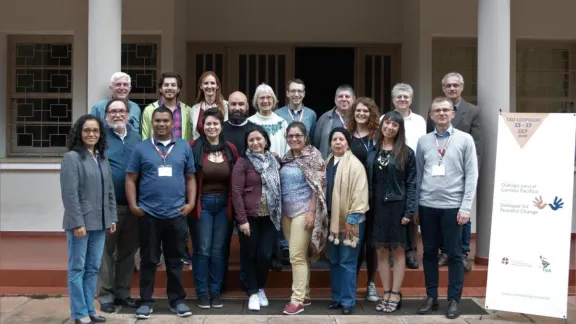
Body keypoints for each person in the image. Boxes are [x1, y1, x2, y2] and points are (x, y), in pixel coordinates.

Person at [126, 106, 196, 319]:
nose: (161, 124)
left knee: (175, 260)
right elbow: (130, 179)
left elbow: (191, 178)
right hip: (149, 215)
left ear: (172, 122)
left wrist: (191, 203)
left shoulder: (184, 147)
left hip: (176, 214)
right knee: (149, 260)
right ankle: (146, 301)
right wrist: (133, 205)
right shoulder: (141, 148)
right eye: (157, 121)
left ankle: (177, 300)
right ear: (152, 122)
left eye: (166, 120)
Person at [416, 97, 478, 319]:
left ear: (453, 114)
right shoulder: (424, 141)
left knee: (455, 255)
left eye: (445, 110)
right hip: (427, 206)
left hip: (453, 207)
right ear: (431, 116)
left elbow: (472, 175)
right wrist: (416, 206)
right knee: (429, 253)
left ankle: (453, 300)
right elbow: (420, 174)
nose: (441, 113)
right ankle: (431, 296)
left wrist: (466, 207)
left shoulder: (465, 139)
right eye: (436, 111)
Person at [61, 114, 117, 324]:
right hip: (80, 224)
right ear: (79, 133)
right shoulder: (72, 158)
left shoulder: (102, 158)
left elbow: (109, 190)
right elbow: (70, 194)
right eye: (87, 130)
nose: (91, 134)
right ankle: (79, 313)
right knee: (77, 268)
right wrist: (77, 222)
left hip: (100, 222)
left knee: (93, 267)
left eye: (95, 130)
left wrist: (111, 217)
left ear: (100, 134)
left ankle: (89, 309)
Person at [427, 73, 482, 271]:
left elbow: (476, 146)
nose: (452, 89)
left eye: (455, 85)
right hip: (438, 175)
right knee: (441, 215)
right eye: (448, 86)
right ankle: (446, 251)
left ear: (462, 87)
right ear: (443, 88)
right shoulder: (433, 110)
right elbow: (430, 139)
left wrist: (473, 174)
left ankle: (463, 252)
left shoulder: (473, 111)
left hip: (461, 173)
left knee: (463, 215)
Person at [189, 108, 239, 309]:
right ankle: (202, 293)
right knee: (202, 250)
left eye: (215, 124)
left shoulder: (230, 149)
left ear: (221, 126)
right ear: (202, 126)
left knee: (219, 251)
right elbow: (189, 177)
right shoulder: (194, 147)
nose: (211, 127)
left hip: (224, 205)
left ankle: (215, 292)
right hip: (203, 204)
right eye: (208, 123)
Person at [367, 111, 417, 313]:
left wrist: (409, 211)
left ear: (399, 129)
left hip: (397, 206)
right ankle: (385, 291)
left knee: (397, 250)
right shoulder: (373, 150)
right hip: (376, 206)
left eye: (394, 125)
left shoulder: (407, 152)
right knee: (380, 250)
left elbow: (412, 184)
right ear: (381, 126)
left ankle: (396, 293)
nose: (389, 127)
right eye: (386, 123)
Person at [96, 99, 141, 313]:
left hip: (132, 206)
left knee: (128, 252)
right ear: (106, 115)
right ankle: (106, 296)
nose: (117, 115)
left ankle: (123, 293)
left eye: (121, 111)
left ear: (128, 113)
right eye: (112, 111)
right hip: (107, 207)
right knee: (105, 252)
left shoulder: (136, 137)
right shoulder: (99, 138)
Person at [231, 126, 282, 311]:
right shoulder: (243, 162)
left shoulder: (275, 160)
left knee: (265, 254)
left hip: (271, 216)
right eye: (251, 140)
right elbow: (236, 193)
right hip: (249, 217)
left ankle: (260, 287)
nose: (255, 143)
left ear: (266, 141)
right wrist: (242, 220)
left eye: (258, 139)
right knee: (250, 254)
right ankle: (253, 291)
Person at [280, 122, 328, 315]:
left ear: (305, 137)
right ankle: (306, 293)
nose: (294, 139)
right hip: (286, 212)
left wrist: (312, 212)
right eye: (290, 136)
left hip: (304, 211)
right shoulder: (286, 157)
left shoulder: (314, 156)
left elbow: (318, 186)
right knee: (300, 255)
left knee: (296, 255)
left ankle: (297, 299)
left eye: (298, 135)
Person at [325, 127, 369, 315]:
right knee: (334, 260)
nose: (338, 142)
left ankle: (348, 301)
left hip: (352, 220)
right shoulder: (327, 162)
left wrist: (351, 219)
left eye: (341, 139)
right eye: (334, 139)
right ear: (330, 143)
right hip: (331, 221)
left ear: (348, 143)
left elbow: (360, 194)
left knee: (347, 261)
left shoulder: (355, 164)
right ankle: (337, 297)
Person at [346, 97, 380, 302]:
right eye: (358, 111)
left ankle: (371, 284)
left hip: (376, 194)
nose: (362, 114)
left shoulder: (378, 136)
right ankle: (353, 283)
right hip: (355, 195)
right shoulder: (348, 136)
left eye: (366, 111)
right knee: (356, 241)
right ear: (353, 113)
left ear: (372, 113)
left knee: (372, 243)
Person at [390, 83, 426, 270]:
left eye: (406, 97)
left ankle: (410, 251)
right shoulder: (386, 119)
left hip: (413, 170)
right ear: (393, 99)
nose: (402, 99)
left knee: (411, 210)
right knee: (393, 211)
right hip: (391, 171)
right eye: (399, 96)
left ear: (411, 99)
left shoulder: (420, 121)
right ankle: (392, 249)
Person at [141, 72, 193, 140]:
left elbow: (191, 139)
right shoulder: (149, 110)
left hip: (181, 150)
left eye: (173, 85)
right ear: (160, 89)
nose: (169, 88)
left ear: (178, 89)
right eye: (166, 85)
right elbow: (145, 138)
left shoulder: (188, 111)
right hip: (155, 150)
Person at [313, 85, 356, 158]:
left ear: (354, 99)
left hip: (350, 165)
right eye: (340, 96)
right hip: (328, 164)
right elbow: (315, 144)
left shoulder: (357, 118)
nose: (344, 99)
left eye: (347, 96)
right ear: (335, 99)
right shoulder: (325, 118)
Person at [248, 83, 289, 158]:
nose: (265, 101)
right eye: (262, 98)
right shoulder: (249, 122)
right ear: (256, 101)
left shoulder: (282, 123)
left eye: (268, 97)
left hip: (279, 167)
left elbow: (288, 149)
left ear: (273, 100)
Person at [191, 71, 228, 139]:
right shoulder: (194, 109)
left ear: (217, 86)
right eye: (206, 83)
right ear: (201, 86)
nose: (209, 86)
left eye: (212, 83)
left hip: (221, 147)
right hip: (200, 148)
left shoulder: (227, 106)